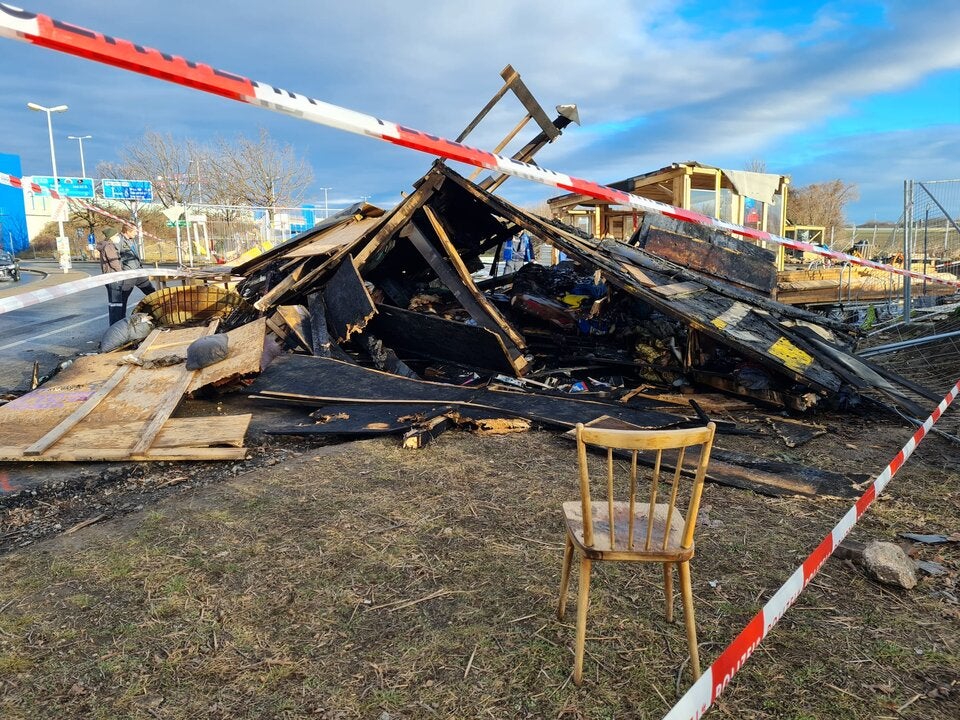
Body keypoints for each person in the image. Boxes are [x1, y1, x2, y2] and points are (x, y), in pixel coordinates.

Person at [96, 224, 156, 325]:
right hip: (128, 275)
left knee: (152, 293)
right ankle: (120, 324)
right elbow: (115, 259)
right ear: (128, 231)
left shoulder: (132, 241)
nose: (136, 233)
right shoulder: (118, 241)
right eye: (134, 231)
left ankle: (159, 311)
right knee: (121, 300)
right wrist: (122, 272)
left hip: (138, 272)